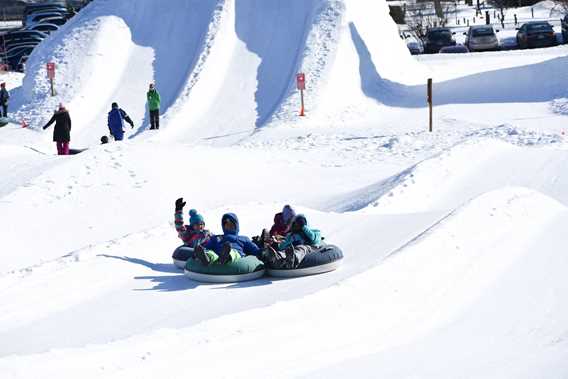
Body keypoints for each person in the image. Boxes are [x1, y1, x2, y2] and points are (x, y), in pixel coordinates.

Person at [194, 213, 261, 266]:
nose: (229, 226)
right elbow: (207, 247)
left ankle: (227, 257)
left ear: (236, 225)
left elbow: (254, 249)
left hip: (236, 256)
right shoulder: (217, 238)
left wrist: (262, 252)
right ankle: (206, 258)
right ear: (223, 226)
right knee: (211, 253)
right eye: (226, 224)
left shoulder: (243, 239)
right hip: (217, 256)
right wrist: (200, 251)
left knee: (234, 253)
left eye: (231, 224)